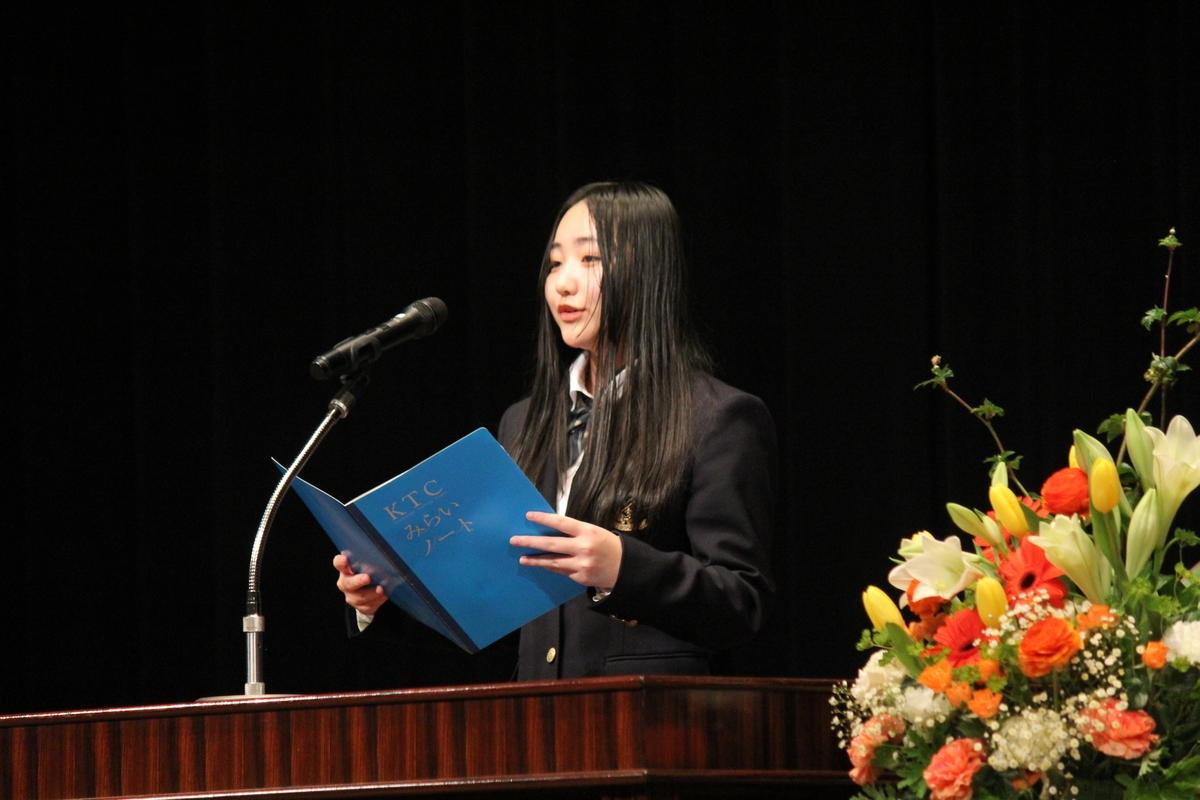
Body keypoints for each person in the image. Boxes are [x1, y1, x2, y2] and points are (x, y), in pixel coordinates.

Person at [335, 181, 776, 680]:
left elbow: (742, 601)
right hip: (539, 722)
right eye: (554, 262)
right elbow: (493, 600)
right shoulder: (524, 421)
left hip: (652, 721)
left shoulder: (717, 416)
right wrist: (382, 599)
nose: (562, 283)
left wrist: (621, 567)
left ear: (649, 270)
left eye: (589, 260)